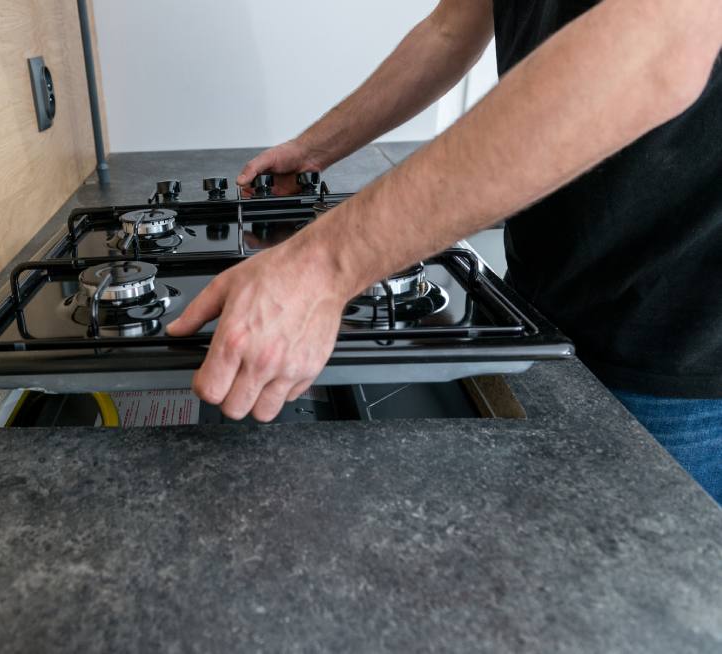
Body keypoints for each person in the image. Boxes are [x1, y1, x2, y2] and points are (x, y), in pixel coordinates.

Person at [166, 0, 722, 501]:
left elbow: (659, 47)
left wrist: (322, 266)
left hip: (680, 355)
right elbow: (451, 27)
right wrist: (316, 149)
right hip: (541, 305)